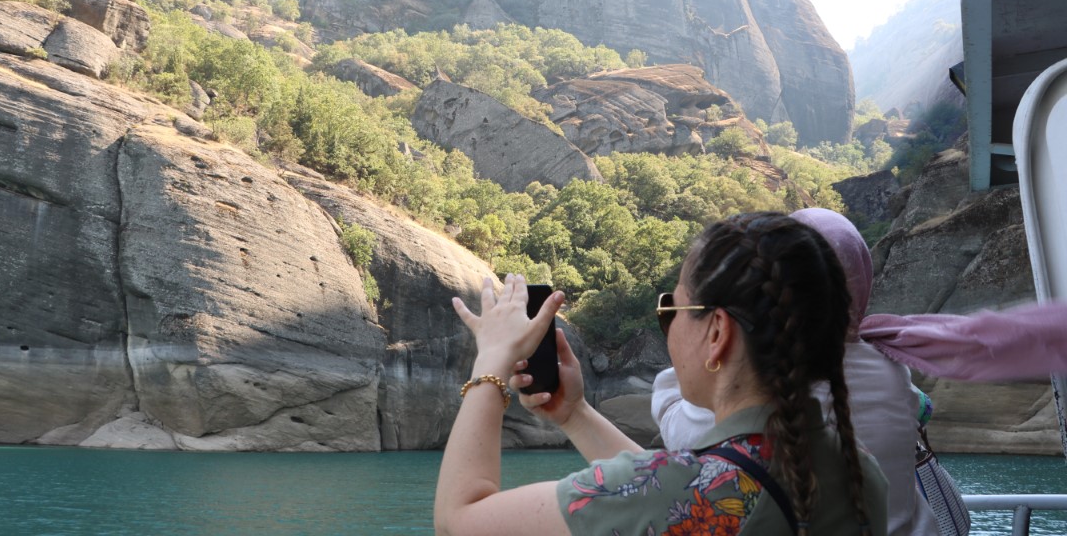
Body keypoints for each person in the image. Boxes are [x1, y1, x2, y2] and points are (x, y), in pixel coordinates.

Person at [435, 212, 887, 536]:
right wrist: (575, 415)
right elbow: (673, 485)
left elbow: (459, 520)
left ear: (717, 333)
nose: (667, 324)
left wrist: (490, 362)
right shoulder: (857, 472)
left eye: (672, 308)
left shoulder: (689, 490)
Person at [654, 207, 1067, 536]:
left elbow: (680, 428)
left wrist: (697, 360)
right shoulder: (889, 363)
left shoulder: (763, 380)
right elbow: (909, 409)